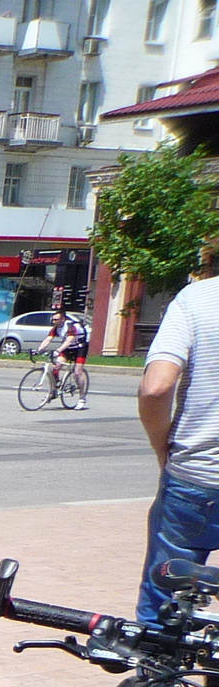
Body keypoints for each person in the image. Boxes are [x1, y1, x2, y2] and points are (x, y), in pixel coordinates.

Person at [137, 259, 219, 625]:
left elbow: (155, 388)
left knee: (163, 605)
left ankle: (157, 660)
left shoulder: (197, 299)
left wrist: (162, 448)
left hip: (196, 477)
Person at [45, 307, 89, 411]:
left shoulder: (70, 327)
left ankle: (82, 398)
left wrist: (58, 350)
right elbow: (47, 339)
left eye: (56, 319)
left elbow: (69, 340)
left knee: (77, 372)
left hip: (80, 348)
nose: (53, 321)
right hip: (68, 349)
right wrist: (38, 350)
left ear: (63, 319)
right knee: (55, 367)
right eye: (53, 319)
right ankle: (54, 390)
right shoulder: (55, 328)